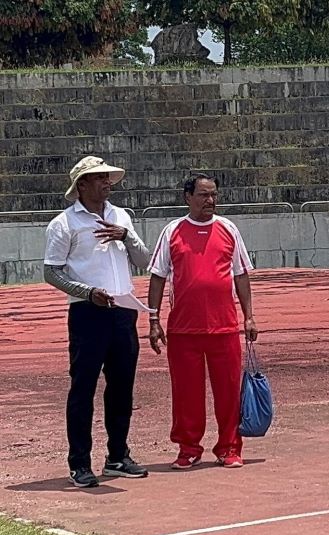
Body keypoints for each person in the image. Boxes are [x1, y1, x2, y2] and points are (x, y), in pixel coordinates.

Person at [42, 156, 150, 487]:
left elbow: (144, 260)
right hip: (88, 313)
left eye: (107, 178)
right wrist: (86, 292)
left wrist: (125, 236)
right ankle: (79, 463)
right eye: (99, 178)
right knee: (83, 387)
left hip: (123, 310)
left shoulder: (121, 216)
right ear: (82, 185)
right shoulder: (64, 223)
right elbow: (51, 271)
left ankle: (118, 455)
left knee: (122, 388)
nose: (107, 183)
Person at [146, 174, 258, 469]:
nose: (210, 201)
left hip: (223, 327)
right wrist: (153, 320)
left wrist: (249, 316)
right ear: (188, 197)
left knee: (229, 391)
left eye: (214, 195)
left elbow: (241, 275)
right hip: (183, 329)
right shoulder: (172, 231)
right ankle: (188, 448)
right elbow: (157, 277)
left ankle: (230, 447)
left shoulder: (228, 229)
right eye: (204, 195)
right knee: (186, 394)